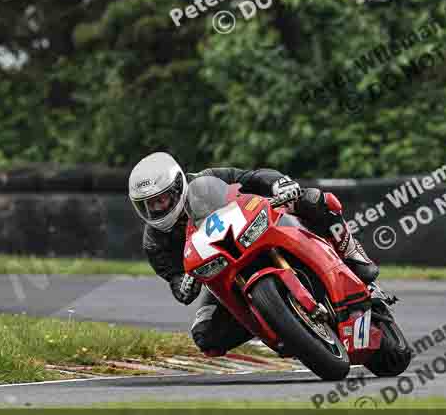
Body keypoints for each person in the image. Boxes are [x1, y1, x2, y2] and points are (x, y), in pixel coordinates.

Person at [128, 151, 379, 357]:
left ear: (178, 186)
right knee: (206, 336)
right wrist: (185, 283)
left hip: (258, 231)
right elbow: (177, 286)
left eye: (161, 199)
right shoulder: (154, 243)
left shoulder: (206, 180)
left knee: (311, 198)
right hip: (224, 272)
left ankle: (352, 251)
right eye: (148, 204)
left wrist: (279, 183)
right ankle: (280, 325)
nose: (157, 208)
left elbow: (252, 177)